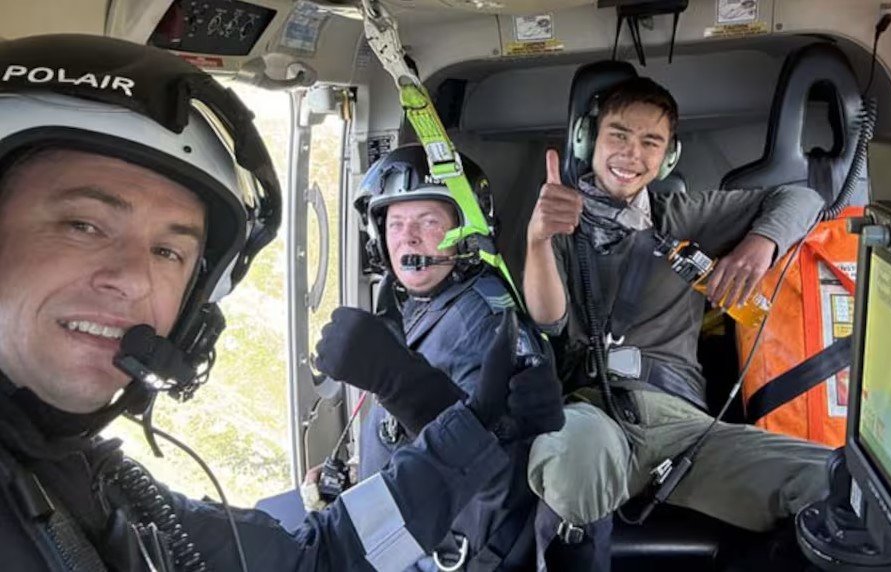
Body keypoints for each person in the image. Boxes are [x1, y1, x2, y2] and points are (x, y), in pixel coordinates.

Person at [0, 33, 563, 571]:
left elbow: (324, 558)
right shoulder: (405, 311)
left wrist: (442, 410)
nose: (131, 279)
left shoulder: (87, 478)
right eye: (82, 225)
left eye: (168, 251)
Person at [522, 75, 833, 570]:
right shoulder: (559, 218)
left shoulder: (685, 216)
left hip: (687, 430)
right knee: (574, 456)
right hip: (595, 413)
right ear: (588, 140)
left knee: (835, 482)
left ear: (668, 157)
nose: (632, 154)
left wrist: (759, 246)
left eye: (651, 142)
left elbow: (805, 199)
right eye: (618, 135)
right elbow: (549, 320)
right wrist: (538, 240)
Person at [317, 144, 559, 571]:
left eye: (428, 222)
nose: (408, 238)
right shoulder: (417, 305)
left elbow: (494, 475)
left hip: (449, 555)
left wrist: (398, 381)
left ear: (465, 231)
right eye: (395, 224)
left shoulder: (483, 320)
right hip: (406, 530)